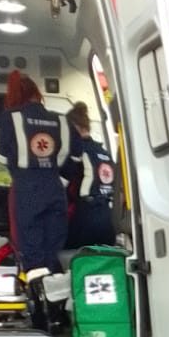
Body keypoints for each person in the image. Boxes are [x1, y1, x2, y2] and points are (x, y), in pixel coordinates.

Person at [0, 72, 82, 332]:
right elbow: (74, 160)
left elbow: (0, 157)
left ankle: (42, 319)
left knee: (33, 258)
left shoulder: (11, 118)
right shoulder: (61, 121)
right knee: (52, 254)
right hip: (54, 191)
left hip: (26, 193)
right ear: (38, 93)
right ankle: (59, 314)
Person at [63, 102, 116, 249]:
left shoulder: (77, 152)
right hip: (107, 217)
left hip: (85, 218)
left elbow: (64, 183)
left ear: (72, 128)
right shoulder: (103, 152)